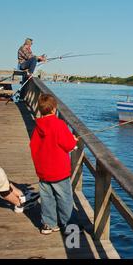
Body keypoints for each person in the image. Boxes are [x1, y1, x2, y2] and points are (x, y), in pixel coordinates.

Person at [30, 94, 79, 235]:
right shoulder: (59, 124)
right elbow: (68, 144)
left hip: (43, 171)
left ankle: (48, 224)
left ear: (40, 110)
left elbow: (33, 146)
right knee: (65, 198)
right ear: (54, 109)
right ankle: (69, 226)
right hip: (59, 171)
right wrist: (73, 140)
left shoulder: (38, 126)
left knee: (47, 198)